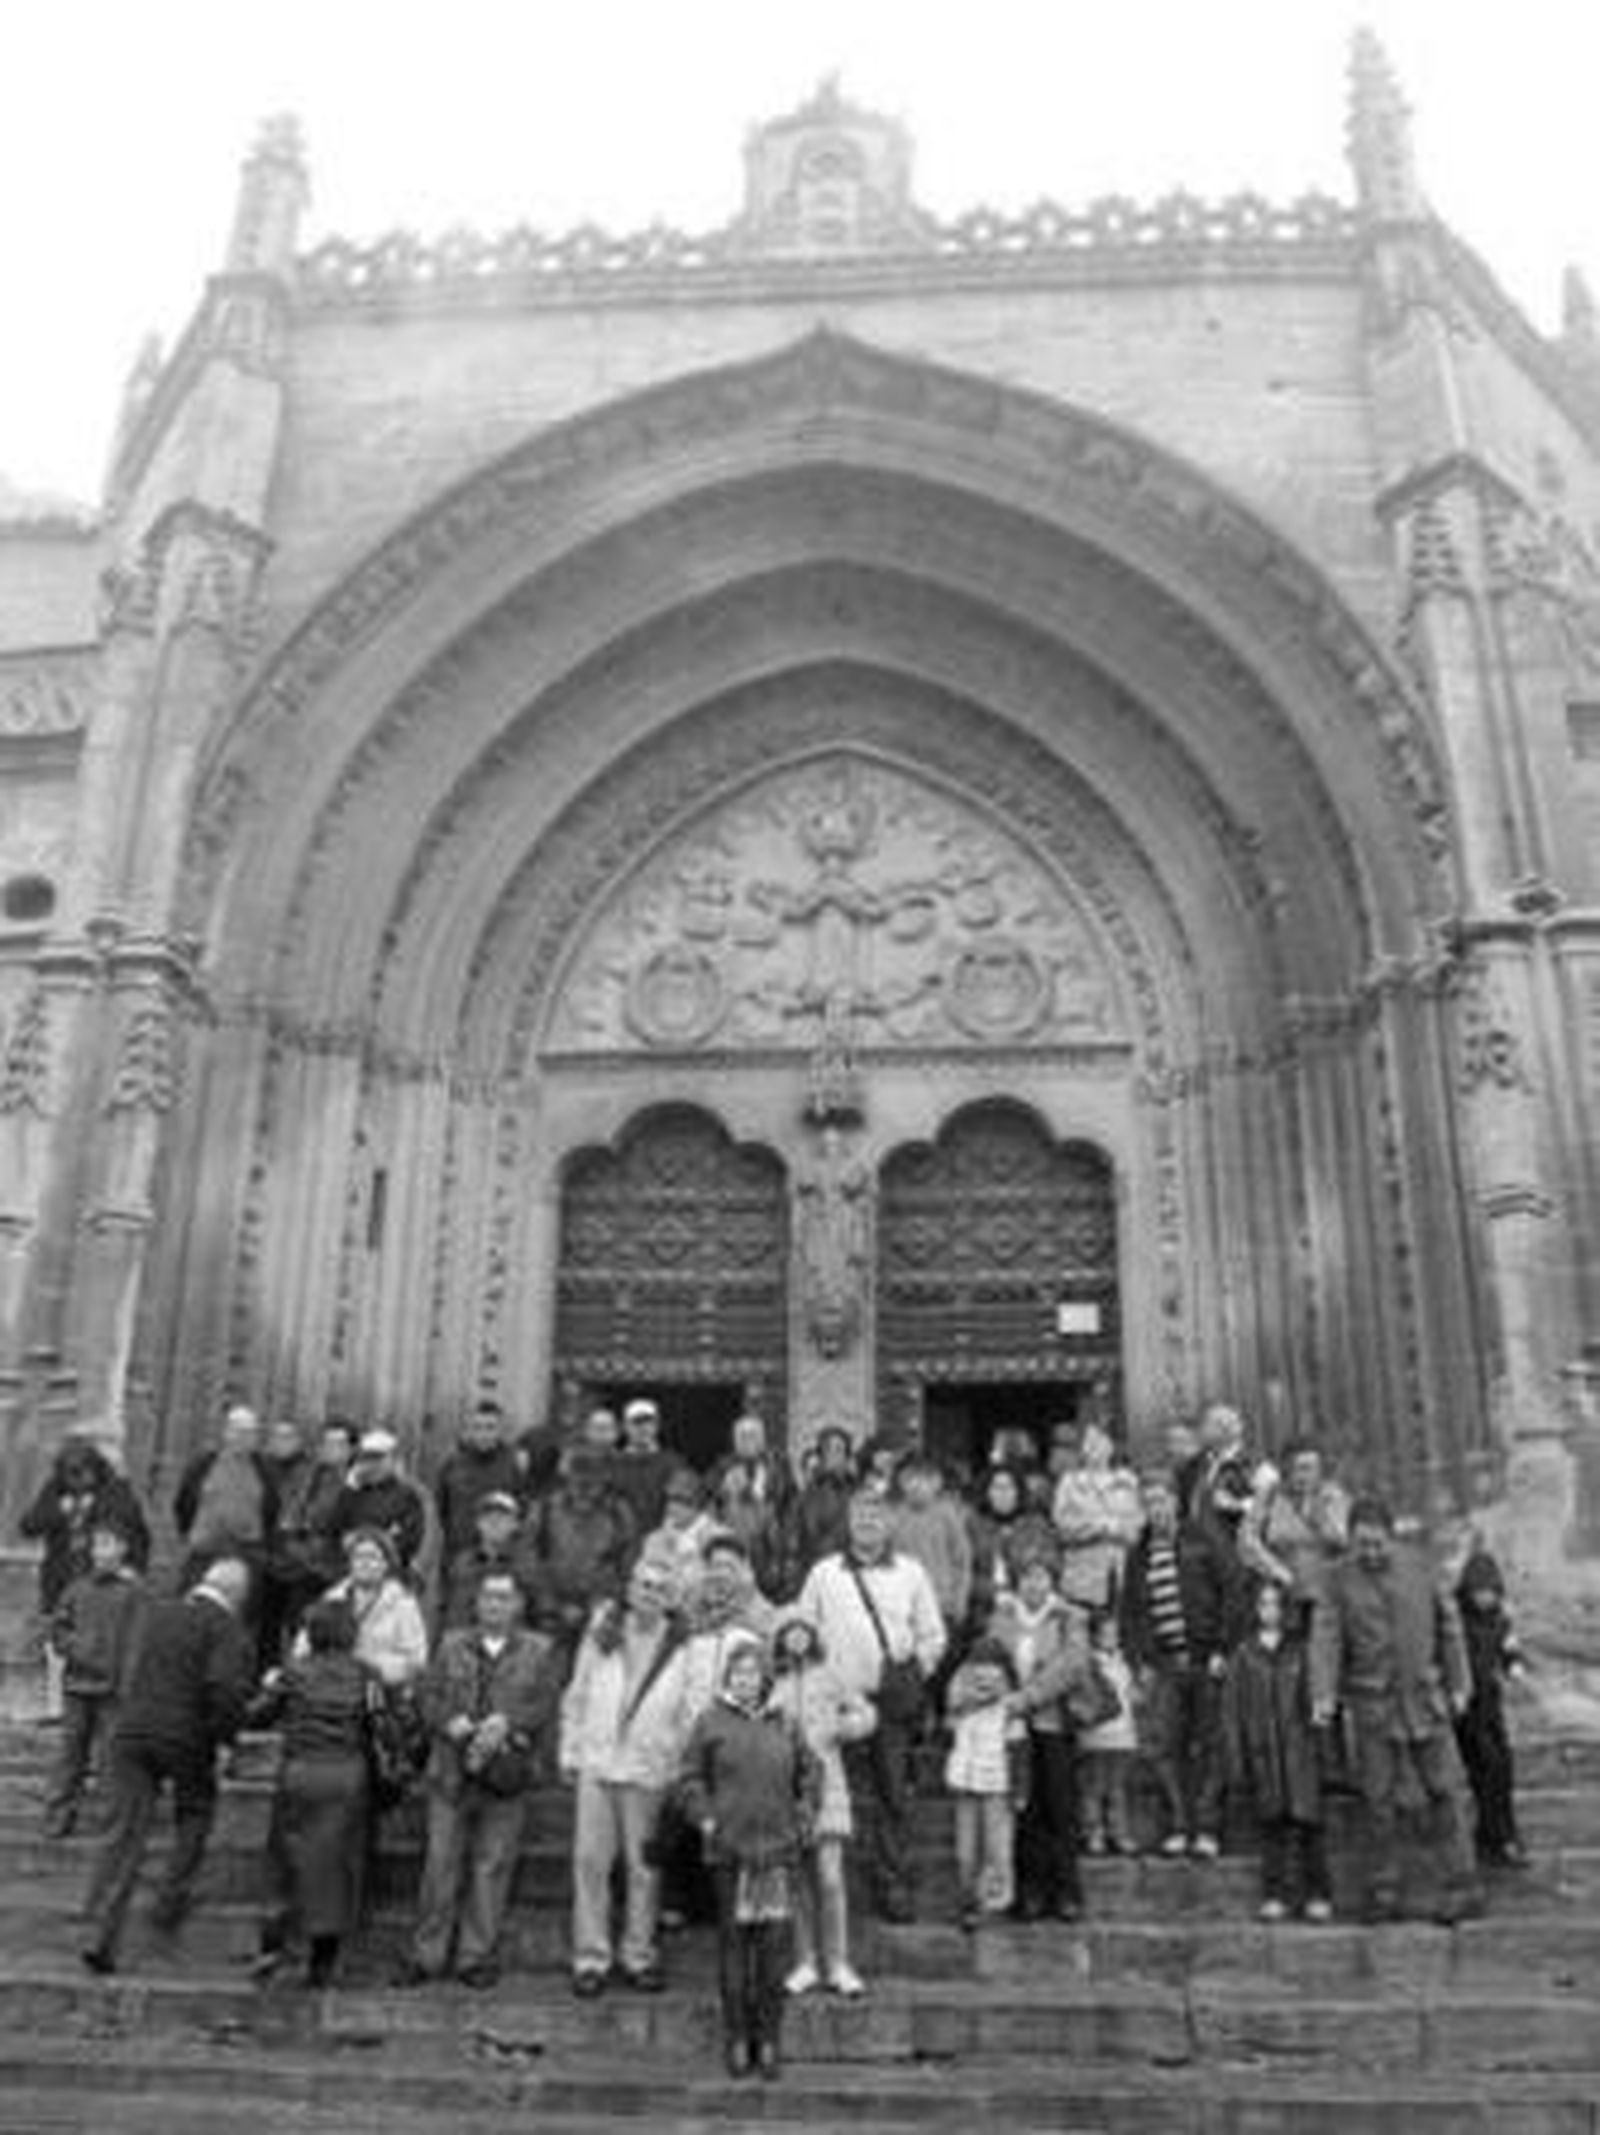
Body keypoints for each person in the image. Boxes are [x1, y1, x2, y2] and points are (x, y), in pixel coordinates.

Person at [80, 1556, 255, 1975]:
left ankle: (99, 1936)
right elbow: (224, 1690)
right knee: (195, 1810)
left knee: (123, 1834)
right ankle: (169, 1901)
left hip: (131, 1731)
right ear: (236, 1596)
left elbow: (128, 1665)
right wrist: (226, 1740)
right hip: (185, 1736)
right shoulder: (227, 1628)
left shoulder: (157, 1613)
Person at [1310, 1494, 1480, 1924]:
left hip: (1425, 1699)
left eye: (1377, 1544)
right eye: (1361, 1545)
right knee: (1377, 1799)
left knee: (1445, 1792)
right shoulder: (1336, 1578)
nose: (1370, 1553)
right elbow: (1326, 1636)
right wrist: (1323, 1693)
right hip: (1372, 1706)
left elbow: (1449, 1626)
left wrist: (1459, 1682)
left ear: (1391, 1537)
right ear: (1350, 1542)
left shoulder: (1421, 1566)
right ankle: (1384, 1889)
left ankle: (1463, 1886)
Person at [400, 1568, 562, 1987]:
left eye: (504, 1597)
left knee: (491, 1868)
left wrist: (508, 1722)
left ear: (519, 1604)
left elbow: (546, 1704)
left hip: (505, 1772)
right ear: (476, 1602)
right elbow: (427, 1695)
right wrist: (447, 1720)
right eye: (488, 1596)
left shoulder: (540, 1650)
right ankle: (427, 1955)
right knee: (439, 1867)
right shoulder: (451, 1643)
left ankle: (475, 1956)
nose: (495, 1604)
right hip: (451, 1771)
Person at [796, 1490, 946, 1923]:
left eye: (876, 1514)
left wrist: (912, 1673)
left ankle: (892, 1884)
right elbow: (803, 1628)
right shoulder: (825, 1573)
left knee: (892, 1794)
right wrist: (817, 1682)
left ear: (889, 1523)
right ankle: (816, 1884)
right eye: (860, 1513)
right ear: (848, 1520)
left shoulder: (911, 1572)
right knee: (817, 1789)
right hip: (834, 1702)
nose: (868, 1521)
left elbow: (932, 1634)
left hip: (890, 1701)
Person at [676, 1637, 819, 2081]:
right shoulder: (709, 1722)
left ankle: (769, 2041)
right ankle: (738, 2040)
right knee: (734, 1951)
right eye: (738, 1673)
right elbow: (689, 1777)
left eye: (753, 1673)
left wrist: (803, 1818)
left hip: (775, 1855)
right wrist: (706, 1819)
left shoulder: (786, 1723)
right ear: (728, 1679)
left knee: (774, 1952)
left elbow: (811, 1773)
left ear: (765, 1679)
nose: (746, 1680)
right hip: (729, 1853)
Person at [559, 1557, 693, 1997]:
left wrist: (675, 1762)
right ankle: (590, 1959)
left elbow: (689, 1711)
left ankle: (638, 1956)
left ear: (670, 1596)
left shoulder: (681, 1642)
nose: (649, 1593)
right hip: (598, 1763)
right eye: (642, 1585)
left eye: (658, 1587)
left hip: (648, 1769)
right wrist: (569, 1750)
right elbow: (577, 1694)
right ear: (629, 1588)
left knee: (643, 1870)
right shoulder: (603, 1631)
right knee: (590, 1864)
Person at [1120, 1470, 1245, 1859]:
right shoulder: (1138, 1553)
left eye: (1162, 1500)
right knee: (1164, 1746)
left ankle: (1206, 1827)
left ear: (1175, 1501)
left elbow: (1232, 1592)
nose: (1156, 1509)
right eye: (1149, 1502)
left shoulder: (1203, 1538)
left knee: (1210, 1745)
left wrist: (1224, 1648)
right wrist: (1138, 1659)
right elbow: (1130, 1614)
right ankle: (1177, 1823)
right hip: (1164, 1664)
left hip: (1207, 1659)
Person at [250, 1595, 371, 1988]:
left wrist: (268, 1685)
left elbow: (258, 1715)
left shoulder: (294, 1672)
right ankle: (324, 1956)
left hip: (300, 1770)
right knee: (337, 1866)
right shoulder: (365, 1674)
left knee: (283, 1861)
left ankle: (272, 1943)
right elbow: (387, 1725)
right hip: (347, 1773)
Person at [766, 1612, 874, 1998]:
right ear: (780, 1639)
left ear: (811, 1636)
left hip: (827, 1783)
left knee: (829, 1878)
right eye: (788, 1632)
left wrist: (841, 1729)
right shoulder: (773, 1682)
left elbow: (865, 1713)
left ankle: (838, 1963)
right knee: (797, 1882)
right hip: (787, 1789)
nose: (796, 1637)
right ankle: (805, 1962)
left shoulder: (830, 1674)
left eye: (802, 1631)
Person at [988, 1542, 1091, 1921]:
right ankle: (1028, 1892)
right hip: (1015, 1730)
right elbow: (990, 1658)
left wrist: (1027, 1697)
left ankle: (1066, 1892)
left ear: (1052, 1579)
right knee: (1025, 1811)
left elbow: (1072, 1666)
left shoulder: (1070, 1616)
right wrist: (1004, 1697)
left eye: (1041, 1576)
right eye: (1027, 1577)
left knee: (1061, 1810)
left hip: (1055, 1725)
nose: (1034, 1584)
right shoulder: (1002, 1617)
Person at [1222, 1577, 1333, 1922]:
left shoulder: (1300, 1650)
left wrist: (1324, 1750)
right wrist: (1238, 1760)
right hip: (1264, 1752)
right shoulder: (1244, 1655)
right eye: (1263, 1604)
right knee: (1271, 1828)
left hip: (1300, 1751)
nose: (1269, 1611)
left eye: (1275, 1604)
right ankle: (1274, 1894)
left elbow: (1318, 1699)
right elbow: (1233, 1712)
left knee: (1310, 1826)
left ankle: (1318, 1893)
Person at [43, 1519, 147, 1838]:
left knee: (110, 1759)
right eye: (97, 1545)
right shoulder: (77, 1589)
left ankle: (109, 1819)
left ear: (122, 1550)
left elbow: (137, 1643)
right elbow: (58, 1630)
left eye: (108, 1544)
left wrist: (127, 1686)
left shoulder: (134, 1595)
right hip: (76, 1686)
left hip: (113, 1691)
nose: (100, 1552)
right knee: (70, 1754)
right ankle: (59, 1814)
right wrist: (77, 1647)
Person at [517, 1442, 637, 1663]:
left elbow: (628, 1566)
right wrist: (553, 1605)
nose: (584, 1485)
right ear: (568, 1475)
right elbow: (527, 1560)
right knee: (547, 1684)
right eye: (579, 1475)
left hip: (600, 1618)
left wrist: (599, 1605)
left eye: (592, 1477)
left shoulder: (618, 1513)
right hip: (549, 1618)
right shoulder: (544, 1508)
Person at [1453, 1547, 1529, 1870]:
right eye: (1479, 1592)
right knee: (1485, 1771)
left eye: (1490, 1592)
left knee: (1501, 1769)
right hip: (1466, 1708)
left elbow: (1511, 1649)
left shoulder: (1501, 1619)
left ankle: (1497, 1834)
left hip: (1490, 1704)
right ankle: (1498, 1837)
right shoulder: (1457, 1622)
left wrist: (1514, 1666)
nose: (1485, 1599)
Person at [943, 1635, 1025, 1928]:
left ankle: (993, 1902)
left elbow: (1019, 1751)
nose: (985, 1675)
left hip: (997, 1785)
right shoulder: (959, 1709)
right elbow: (951, 1730)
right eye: (978, 1667)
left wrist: (1020, 1790)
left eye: (992, 1668)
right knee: (965, 1850)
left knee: (997, 1847)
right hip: (965, 1784)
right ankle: (968, 1900)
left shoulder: (1010, 1709)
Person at [262, 1418, 355, 1663]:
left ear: (350, 1450)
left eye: (338, 1443)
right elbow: (288, 1515)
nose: (330, 1448)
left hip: (328, 1572)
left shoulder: (353, 1484)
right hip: (293, 1566)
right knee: (281, 1630)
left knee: (316, 1636)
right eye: (326, 1442)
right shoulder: (307, 1475)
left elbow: (336, 1528)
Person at [310, 1527, 428, 1688]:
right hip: (331, 1687)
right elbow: (305, 1646)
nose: (364, 1562)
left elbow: (417, 1660)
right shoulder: (332, 1598)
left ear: (386, 1564)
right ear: (350, 1563)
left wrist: (370, 1667)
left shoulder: (403, 1604)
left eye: (372, 1557)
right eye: (358, 1556)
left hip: (382, 1691)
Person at [173, 1404, 274, 1591]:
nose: (244, 1438)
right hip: (205, 1553)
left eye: (250, 1433)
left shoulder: (264, 1470)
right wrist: (189, 1534)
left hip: (245, 1556)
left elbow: (271, 1510)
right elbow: (183, 1503)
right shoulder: (203, 1463)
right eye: (238, 1431)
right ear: (226, 1432)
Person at [890, 1450, 973, 1671]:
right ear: (901, 1482)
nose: (917, 1485)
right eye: (910, 1478)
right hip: (905, 1607)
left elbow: (962, 1561)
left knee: (944, 1663)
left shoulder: (947, 1514)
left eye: (924, 1479)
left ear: (937, 1482)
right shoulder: (894, 1516)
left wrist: (960, 1599)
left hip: (942, 1604)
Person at [1051, 1420, 1142, 1614]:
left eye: (1100, 1440)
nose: (1094, 1447)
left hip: (1124, 1576)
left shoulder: (1128, 1481)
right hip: (1082, 1581)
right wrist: (1099, 1527)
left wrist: (1122, 1528)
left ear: (1111, 1446)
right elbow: (1062, 1528)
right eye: (1089, 1441)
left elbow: (1139, 1527)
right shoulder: (1070, 1482)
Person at [709, 1413, 795, 1602]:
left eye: (753, 1435)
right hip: (734, 1542)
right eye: (742, 1436)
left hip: (770, 1546)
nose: (748, 1441)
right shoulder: (722, 1466)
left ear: (763, 1440)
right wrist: (725, 1490)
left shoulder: (778, 1465)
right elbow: (712, 1504)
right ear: (734, 1441)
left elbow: (790, 1505)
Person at [433, 1398, 527, 1562]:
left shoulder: (514, 1464)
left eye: (490, 1427)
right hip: (458, 1557)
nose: (483, 1434)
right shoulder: (453, 1464)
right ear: (469, 1429)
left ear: (500, 1430)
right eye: (477, 1427)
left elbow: (523, 1512)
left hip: (499, 1560)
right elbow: (440, 1511)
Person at [1077, 1608, 1139, 1855]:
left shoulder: (1123, 1662)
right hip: (1096, 1735)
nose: (1112, 1639)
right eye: (1106, 1634)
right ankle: (1094, 1832)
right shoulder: (1089, 1663)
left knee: (1117, 1787)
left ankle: (1119, 1832)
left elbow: (1130, 1695)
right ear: (1094, 1636)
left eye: (1115, 1634)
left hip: (1122, 1735)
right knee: (1093, 1786)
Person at [329, 1428, 428, 1578]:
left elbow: (409, 1540)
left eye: (378, 1458)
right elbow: (334, 1529)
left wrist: (368, 1542)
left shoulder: (406, 1494)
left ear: (392, 1459)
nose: (372, 1464)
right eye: (366, 1458)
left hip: (389, 1574)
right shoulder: (353, 1492)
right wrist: (350, 1487)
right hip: (350, 1571)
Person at [439, 1489, 529, 1632]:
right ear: (478, 1524)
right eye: (488, 1517)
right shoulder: (461, 1563)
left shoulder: (526, 1566)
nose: (495, 1522)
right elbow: (451, 1613)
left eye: (503, 1517)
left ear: (515, 1525)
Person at [791, 1425, 857, 1577]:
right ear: (820, 1456)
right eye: (828, 1449)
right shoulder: (806, 1495)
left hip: (851, 1569)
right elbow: (797, 1536)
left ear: (847, 1456)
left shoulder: (857, 1492)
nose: (833, 1454)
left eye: (838, 1449)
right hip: (815, 1569)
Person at [613, 1397, 678, 1536]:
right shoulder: (613, 1463)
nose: (643, 1428)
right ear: (625, 1427)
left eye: (648, 1422)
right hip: (621, 1542)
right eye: (636, 1423)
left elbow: (681, 1504)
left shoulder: (672, 1463)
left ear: (657, 1426)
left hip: (662, 1541)